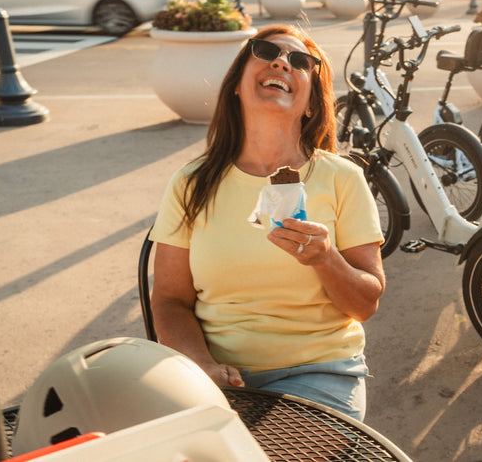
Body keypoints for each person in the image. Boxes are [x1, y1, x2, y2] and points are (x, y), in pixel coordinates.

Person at [150, 24, 385, 421]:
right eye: (265, 51)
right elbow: (170, 301)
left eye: (300, 62)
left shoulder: (343, 178)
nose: (281, 62)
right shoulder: (191, 182)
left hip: (318, 370)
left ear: (311, 103)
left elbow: (365, 305)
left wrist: (325, 259)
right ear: (237, 85)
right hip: (211, 374)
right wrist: (202, 365)